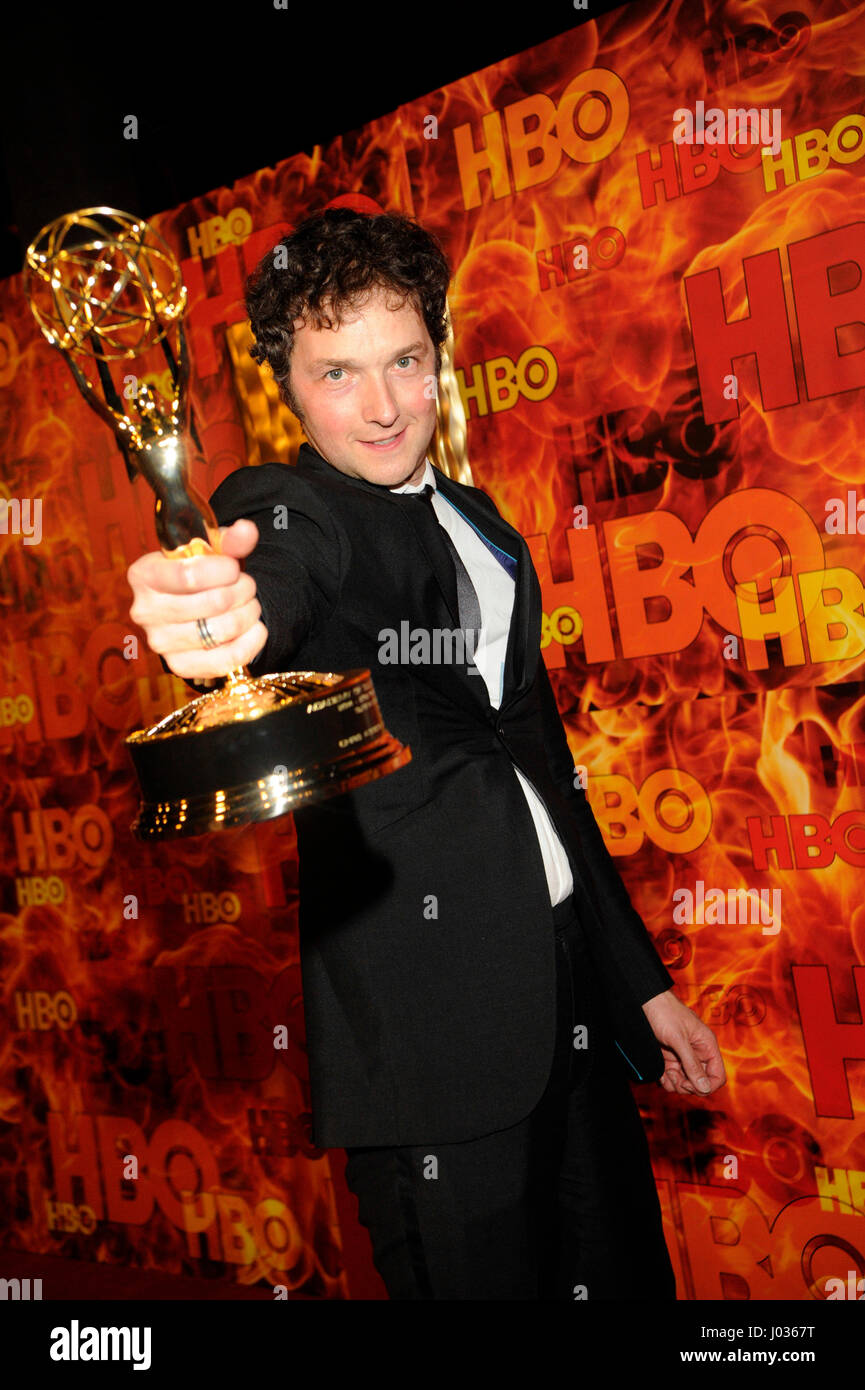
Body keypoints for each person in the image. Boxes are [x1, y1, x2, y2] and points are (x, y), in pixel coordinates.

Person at [127, 207, 726, 1300]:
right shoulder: (299, 509)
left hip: (570, 1005)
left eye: (405, 359)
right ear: (286, 387)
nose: (385, 403)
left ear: (439, 355)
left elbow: (547, 772)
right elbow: (277, 578)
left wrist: (643, 987)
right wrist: (219, 618)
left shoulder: (487, 526)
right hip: (433, 1042)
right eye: (339, 372)